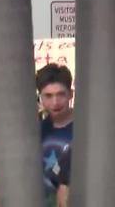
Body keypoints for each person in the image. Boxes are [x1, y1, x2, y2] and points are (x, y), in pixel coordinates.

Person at [36, 64, 73, 195]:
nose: (55, 102)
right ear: (40, 98)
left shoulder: (86, 128)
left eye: (60, 94)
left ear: (71, 94)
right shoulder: (36, 131)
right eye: (48, 96)